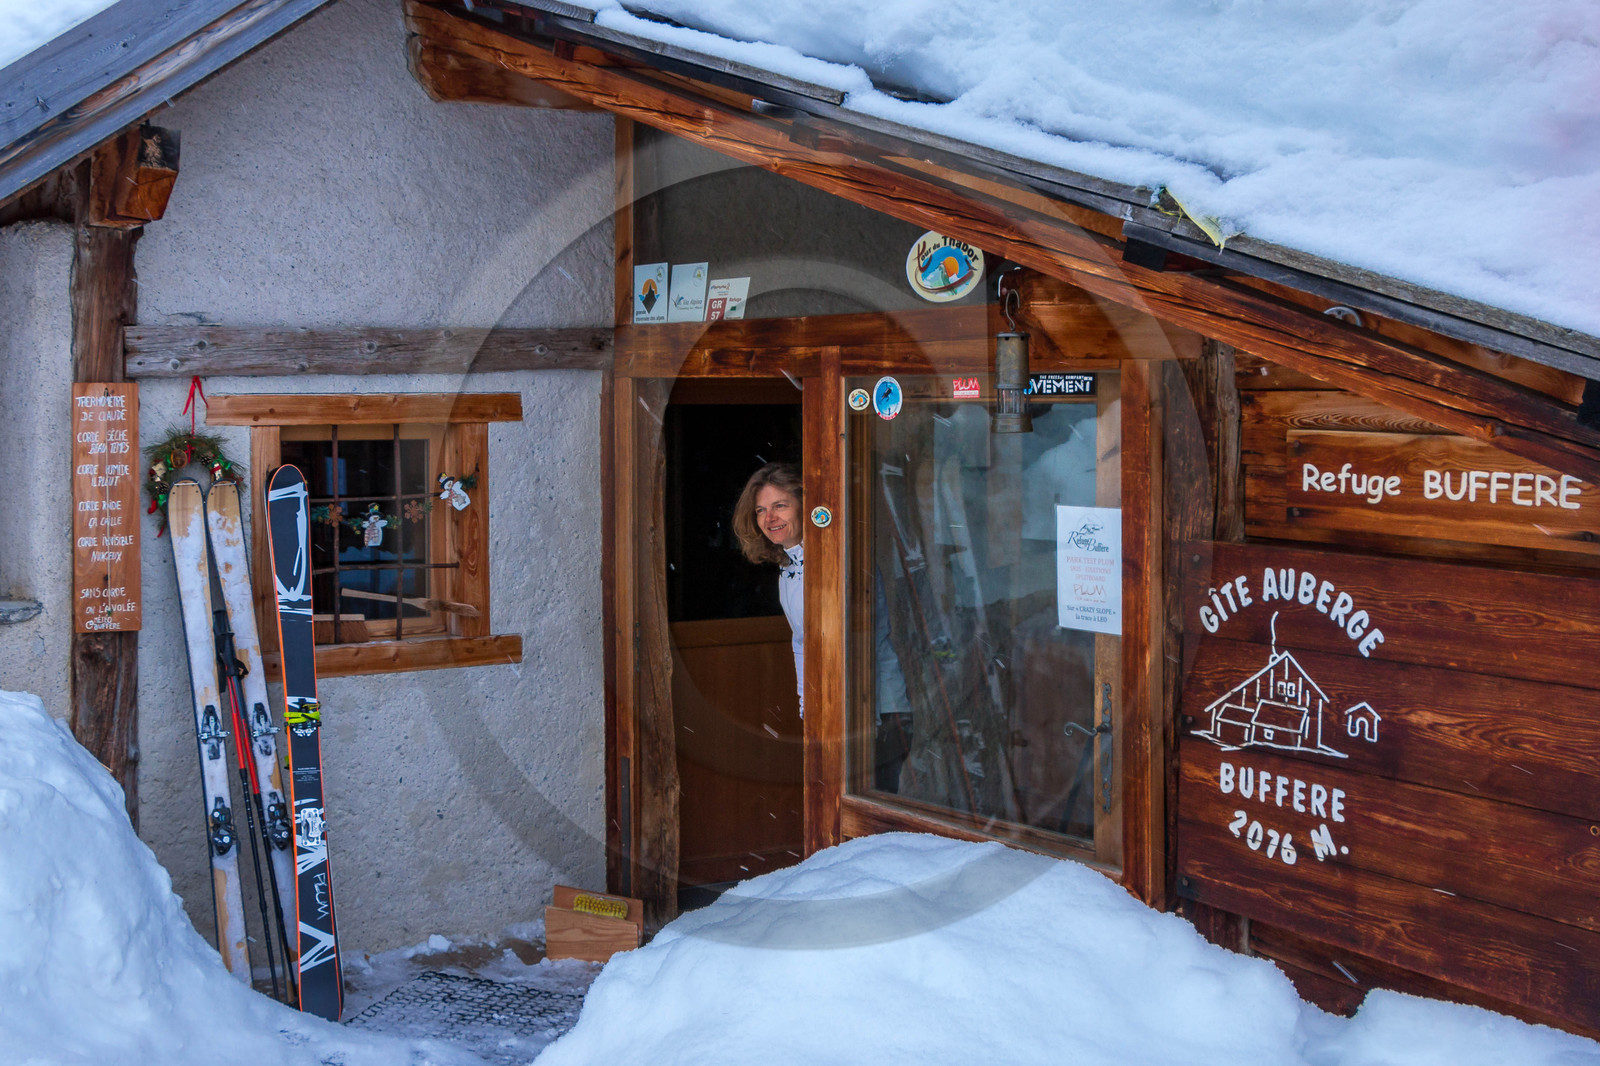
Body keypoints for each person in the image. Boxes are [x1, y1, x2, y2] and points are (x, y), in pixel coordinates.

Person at [734, 461, 805, 715]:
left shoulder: (828, 560)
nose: (769, 518)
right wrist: (805, 706)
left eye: (780, 506)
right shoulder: (787, 567)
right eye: (760, 510)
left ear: (804, 505)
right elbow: (801, 641)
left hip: (875, 703)